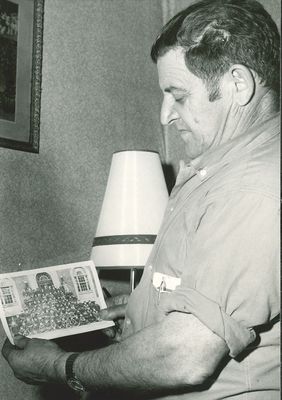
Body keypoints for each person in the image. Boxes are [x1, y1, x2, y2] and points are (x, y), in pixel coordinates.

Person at [2, 0, 280, 398]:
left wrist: (58, 366)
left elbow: (186, 355)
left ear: (238, 84)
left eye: (178, 95)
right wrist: (147, 302)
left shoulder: (250, 188)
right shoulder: (223, 168)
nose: (164, 115)